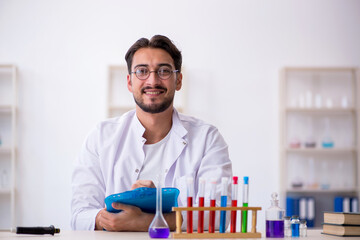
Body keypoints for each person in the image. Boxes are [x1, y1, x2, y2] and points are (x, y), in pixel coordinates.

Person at [71, 35, 232, 231]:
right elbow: (80, 215)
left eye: (164, 71)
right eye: (142, 71)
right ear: (129, 82)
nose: (153, 80)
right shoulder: (100, 137)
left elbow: (218, 216)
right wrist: (109, 218)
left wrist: (144, 221)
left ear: (178, 80)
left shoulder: (207, 139)